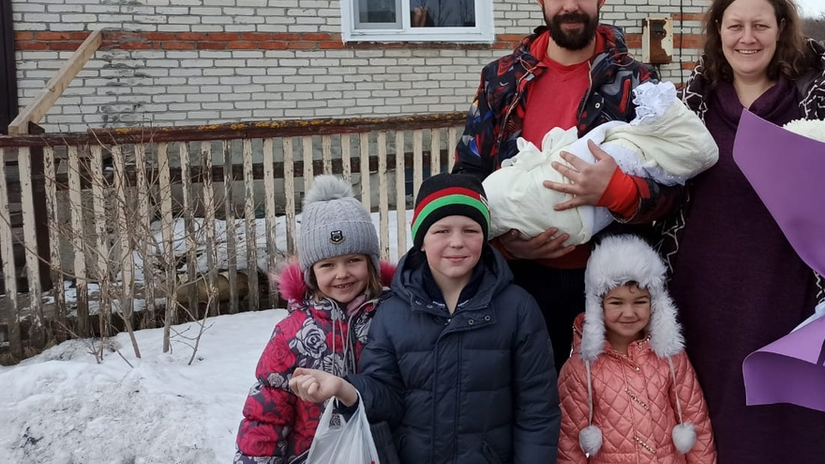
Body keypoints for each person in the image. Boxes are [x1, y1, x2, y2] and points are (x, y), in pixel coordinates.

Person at [660, 0, 825, 463]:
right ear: (718, 30)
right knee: (708, 430)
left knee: (792, 431)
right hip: (702, 302)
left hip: (789, 299)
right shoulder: (689, 107)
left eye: (760, 25)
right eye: (735, 25)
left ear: (781, 28)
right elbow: (658, 198)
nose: (747, 38)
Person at [453, 0, 682, 368]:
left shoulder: (640, 84)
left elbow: (674, 185)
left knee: (606, 416)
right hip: (517, 281)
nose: (570, 5)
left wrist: (617, 191)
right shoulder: (502, 80)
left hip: (614, 293)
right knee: (531, 405)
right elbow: (467, 173)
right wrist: (502, 241)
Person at [288, 173, 560, 464]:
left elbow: (537, 410)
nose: (457, 242)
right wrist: (345, 389)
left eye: (470, 230)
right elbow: (387, 398)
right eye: (441, 231)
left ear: (485, 236)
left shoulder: (517, 309)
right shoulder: (393, 312)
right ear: (421, 240)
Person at [234, 175, 393, 464]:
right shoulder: (292, 333)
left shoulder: (392, 315)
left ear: (370, 263)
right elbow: (265, 415)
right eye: (328, 265)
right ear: (311, 272)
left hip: (382, 451)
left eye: (353, 260)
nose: (342, 273)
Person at [557, 234, 717, 464]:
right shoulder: (580, 369)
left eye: (640, 302)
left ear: (655, 303)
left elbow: (697, 421)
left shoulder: (671, 357)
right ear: (597, 306)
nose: (629, 313)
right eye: (616, 302)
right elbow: (569, 442)